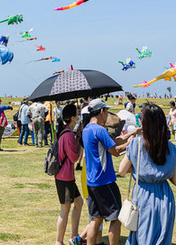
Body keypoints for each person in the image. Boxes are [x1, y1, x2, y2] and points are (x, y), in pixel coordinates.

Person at [118, 103, 176, 245]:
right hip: (165, 197)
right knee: (162, 238)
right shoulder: (170, 148)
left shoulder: (136, 144)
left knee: (142, 237)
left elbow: (121, 171)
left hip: (143, 195)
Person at [83, 99, 140, 245]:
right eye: (107, 111)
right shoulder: (100, 130)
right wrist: (130, 144)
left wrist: (131, 133)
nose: (107, 114)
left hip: (92, 182)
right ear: (101, 111)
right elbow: (115, 151)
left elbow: (112, 141)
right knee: (115, 218)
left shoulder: (87, 129)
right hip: (105, 181)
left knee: (96, 219)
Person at [54, 103, 84, 245]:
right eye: (77, 113)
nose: (79, 116)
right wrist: (78, 139)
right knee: (65, 209)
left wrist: (77, 136)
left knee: (79, 202)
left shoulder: (66, 132)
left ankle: (74, 235)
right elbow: (74, 158)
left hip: (66, 176)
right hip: (65, 177)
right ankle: (59, 241)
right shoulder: (68, 135)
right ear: (72, 117)